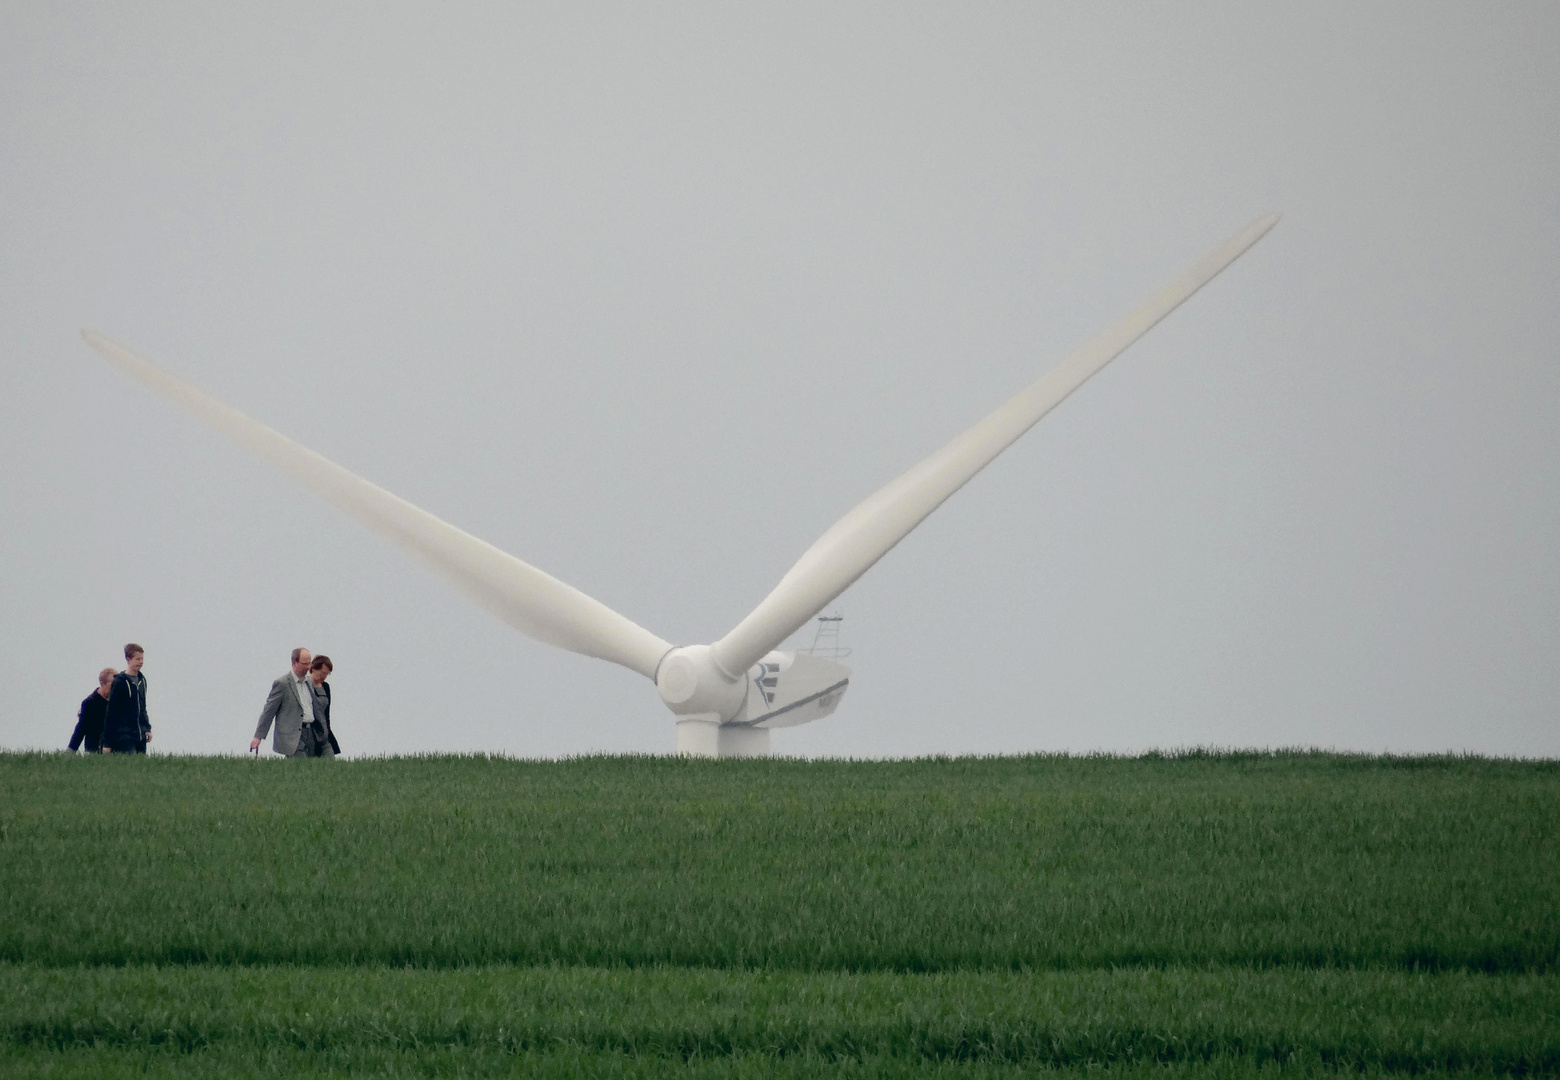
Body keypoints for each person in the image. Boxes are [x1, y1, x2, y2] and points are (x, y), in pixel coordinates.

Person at [251, 647, 323, 757]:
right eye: (305, 664)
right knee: (300, 767)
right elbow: (268, 711)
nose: (308, 667)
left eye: (310, 663)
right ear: (295, 662)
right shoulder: (282, 684)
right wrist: (258, 737)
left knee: (312, 770)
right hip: (293, 736)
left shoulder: (309, 682)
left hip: (311, 734)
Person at [101, 644, 151, 754]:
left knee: (143, 767)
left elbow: (143, 707)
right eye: (137, 659)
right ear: (128, 659)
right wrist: (107, 743)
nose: (141, 662)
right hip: (124, 736)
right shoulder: (119, 682)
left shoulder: (142, 681)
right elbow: (111, 713)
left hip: (140, 735)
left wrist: (147, 728)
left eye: (142, 659)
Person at [68, 667, 116, 753]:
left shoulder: (117, 701)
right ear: (103, 683)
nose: (115, 688)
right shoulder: (89, 703)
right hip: (93, 749)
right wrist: (70, 751)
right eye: (112, 684)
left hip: (114, 749)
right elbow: (81, 729)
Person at [309, 655, 340, 757]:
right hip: (310, 734)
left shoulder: (326, 687)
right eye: (323, 673)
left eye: (327, 674)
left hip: (325, 734)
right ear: (313, 669)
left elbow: (326, 713)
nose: (324, 676)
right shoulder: (305, 686)